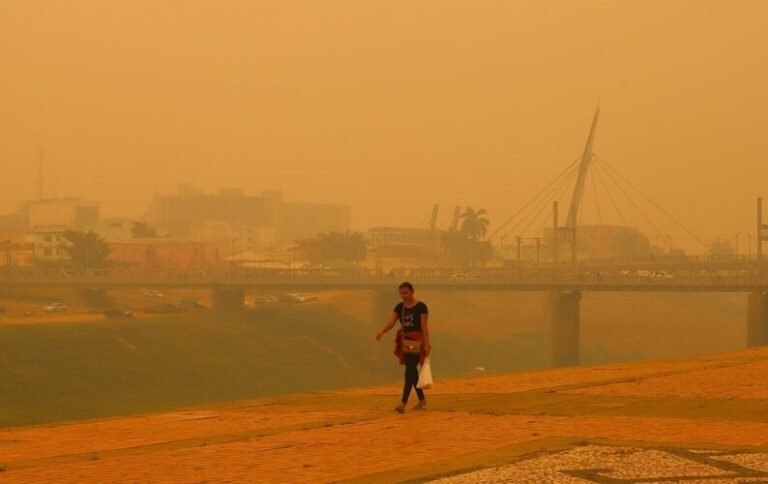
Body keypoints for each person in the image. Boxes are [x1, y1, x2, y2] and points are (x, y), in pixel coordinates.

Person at [375, 282, 431, 413]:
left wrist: (427, 344)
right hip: (405, 342)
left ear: (412, 291)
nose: (404, 295)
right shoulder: (400, 307)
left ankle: (403, 403)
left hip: (418, 342)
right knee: (412, 372)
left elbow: (424, 326)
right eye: (401, 293)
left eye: (406, 292)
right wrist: (382, 331)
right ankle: (422, 400)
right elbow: (392, 321)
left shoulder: (421, 307)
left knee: (409, 370)